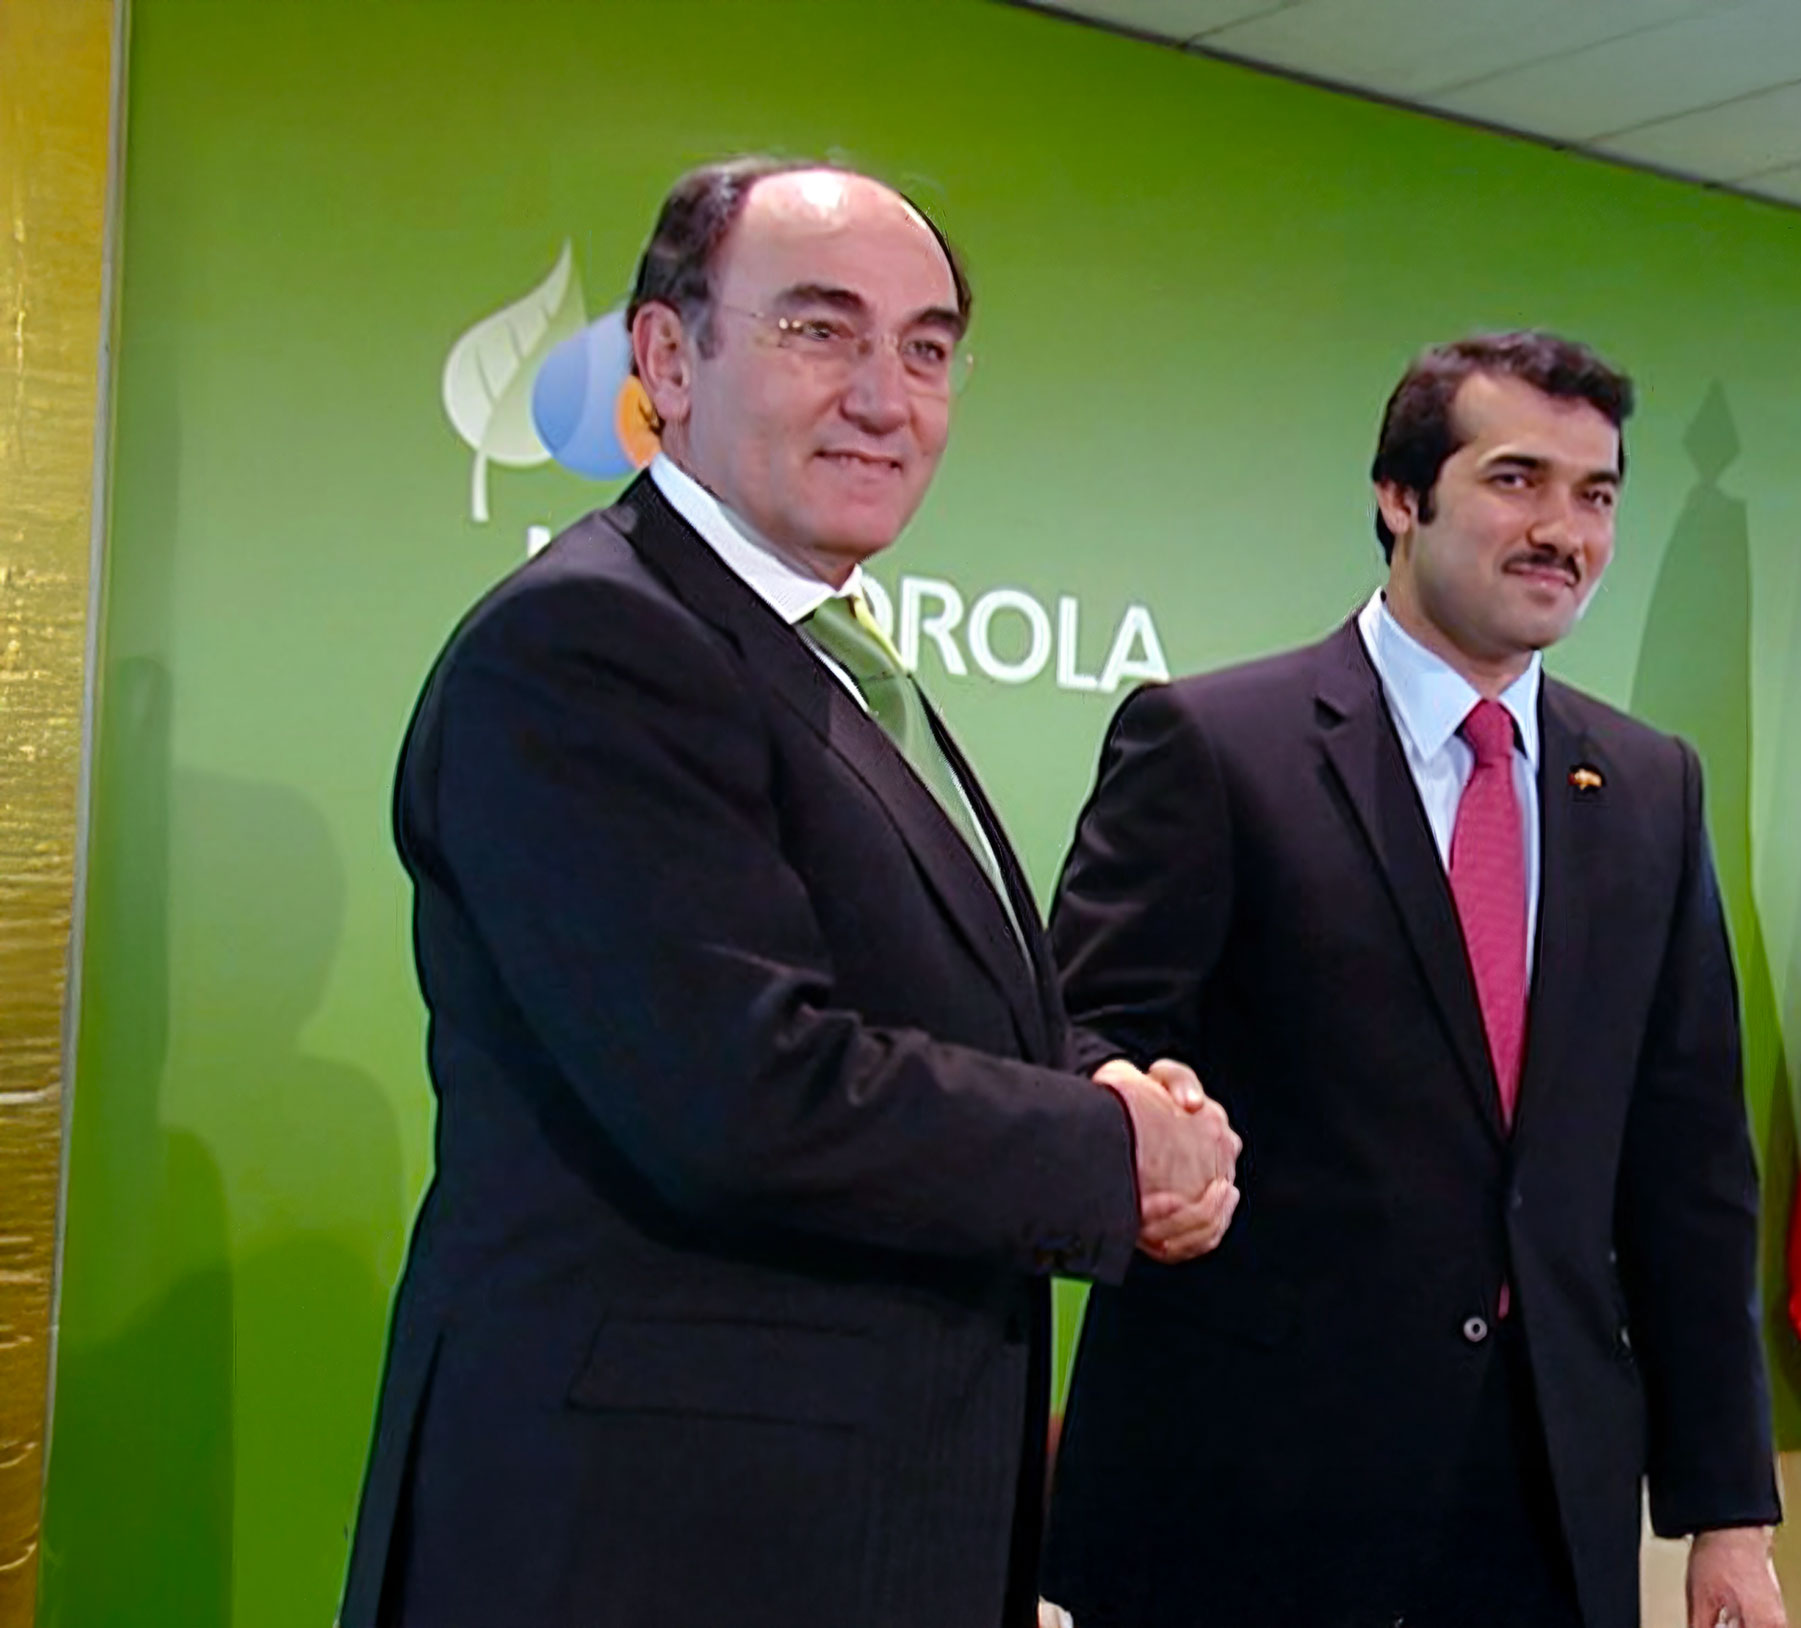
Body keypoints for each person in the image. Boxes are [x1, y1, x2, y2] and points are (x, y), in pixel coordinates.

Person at [339, 157, 1238, 1628]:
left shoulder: (826, 652)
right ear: (665, 359)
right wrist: (1104, 1153)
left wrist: (1118, 1084)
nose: (887, 397)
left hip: (840, 1534)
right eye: (822, 331)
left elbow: (945, 1009)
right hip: (648, 1547)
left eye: (928, 348)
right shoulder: (587, 644)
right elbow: (739, 1089)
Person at [1041, 332, 1786, 1628]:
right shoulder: (1216, 745)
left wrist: (1729, 1516)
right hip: (1249, 1494)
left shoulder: (1651, 786)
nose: (1563, 528)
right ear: (1401, 494)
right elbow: (1079, 1030)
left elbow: (1690, 1169)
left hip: (1545, 1504)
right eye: (1517, 480)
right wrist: (1139, 1118)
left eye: (1597, 495)